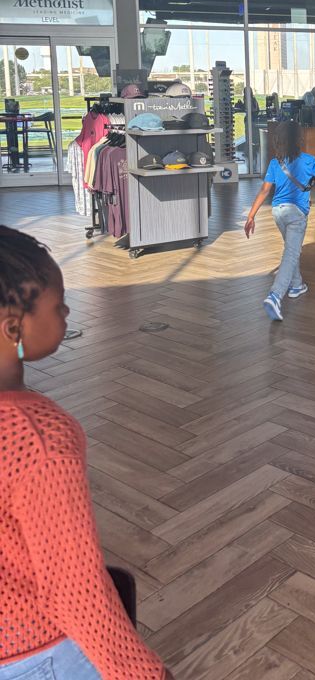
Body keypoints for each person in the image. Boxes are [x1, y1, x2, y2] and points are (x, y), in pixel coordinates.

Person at [0, 227, 172, 680]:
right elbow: (74, 591)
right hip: (34, 652)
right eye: (59, 305)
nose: (68, 311)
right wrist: (144, 674)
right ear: (14, 326)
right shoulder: (37, 438)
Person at [244, 121, 315, 321]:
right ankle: (275, 296)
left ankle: (296, 285)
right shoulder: (309, 160)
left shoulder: (276, 162)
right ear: (298, 140)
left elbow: (265, 190)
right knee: (291, 253)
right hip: (296, 214)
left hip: (278, 212)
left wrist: (251, 216)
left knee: (291, 251)